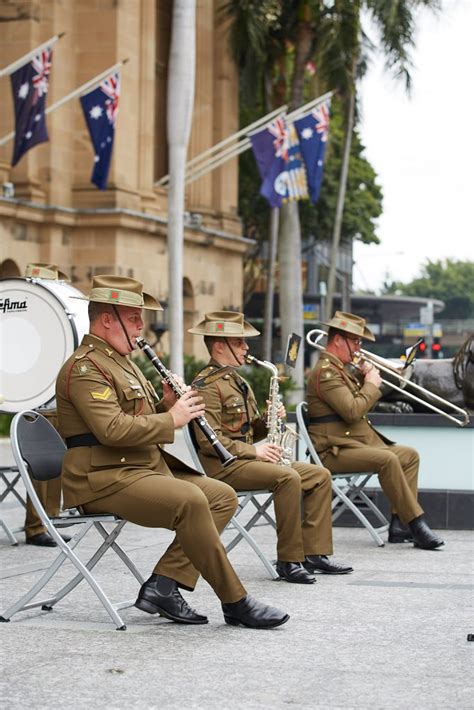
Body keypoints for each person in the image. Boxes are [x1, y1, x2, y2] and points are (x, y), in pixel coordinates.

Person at [55, 275, 289, 629]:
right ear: (107, 319)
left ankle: (164, 584)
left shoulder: (125, 361)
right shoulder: (85, 367)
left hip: (140, 467)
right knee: (191, 500)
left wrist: (165, 403)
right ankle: (236, 601)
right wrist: (173, 416)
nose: (140, 326)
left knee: (222, 496)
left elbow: (138, 420)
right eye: (134, 317)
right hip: (101, 477)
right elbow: (111, 429)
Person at [188, 311, 353, 584]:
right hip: (225, 467)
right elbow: (209, 441)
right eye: (240, 342)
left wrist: (267, 421)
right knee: (287, 477)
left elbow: (250, 431)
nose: (247, 348)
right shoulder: (205, 385)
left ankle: (314, 554)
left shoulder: (237, 380)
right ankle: (289, 560)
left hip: (247, 462)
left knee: (319, 475)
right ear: (220, 345)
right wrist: (255, 452)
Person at [306, 311, 445, 550]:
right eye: (356, 341)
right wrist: (370, 384)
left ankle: (399, 525)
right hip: (333, 450)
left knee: (408, 455)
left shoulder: (341, 370)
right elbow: (352, 411)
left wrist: (364, 380)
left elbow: (358, 402)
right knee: (388, 459)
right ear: (338, 340)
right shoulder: (326, 373)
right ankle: (416, 523)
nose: (359, 347)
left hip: (354, 444)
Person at [23, 263, 70, 546]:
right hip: (33, 401)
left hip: (54, 399)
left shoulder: (55, 312)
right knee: (41, 465)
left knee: (56, 463)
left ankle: (49, 520)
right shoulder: (32, 308)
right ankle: (35, 526)